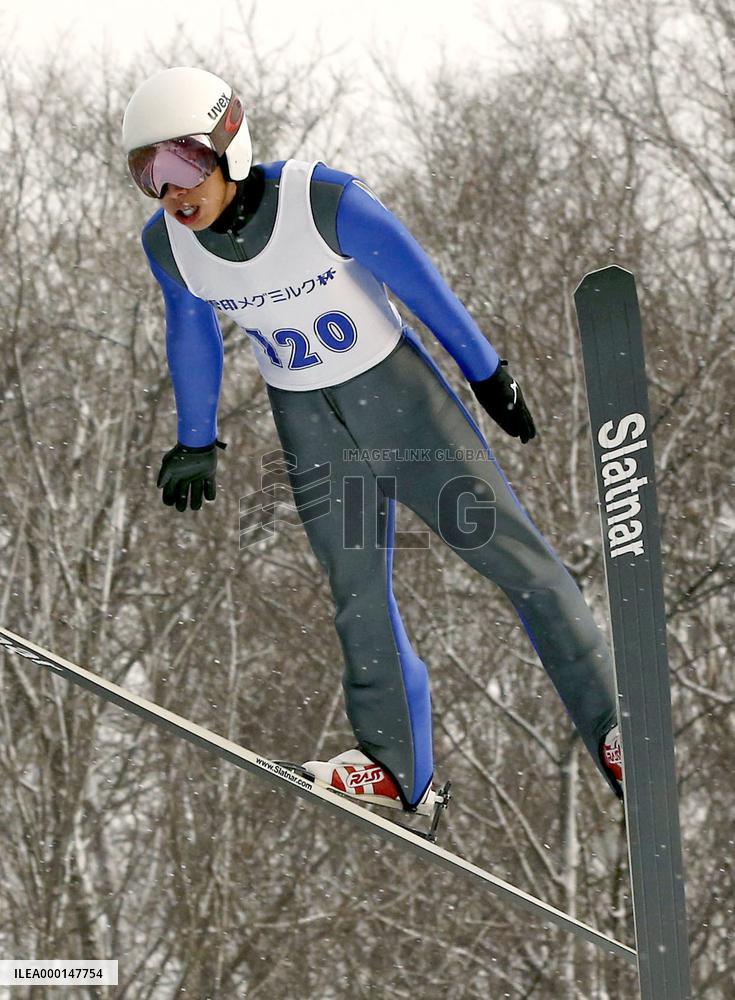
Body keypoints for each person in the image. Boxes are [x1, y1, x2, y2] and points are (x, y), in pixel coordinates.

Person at [122, 66, 623, 815]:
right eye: (148, 174)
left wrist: (487, 373)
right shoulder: (170, 246)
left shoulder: (321, 201)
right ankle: (395, 765)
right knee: (355, 592)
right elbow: (190, 327)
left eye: (183, 162)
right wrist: (195, 441)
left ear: (229, 143)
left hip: (398, 405)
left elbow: (422, 285)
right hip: (308, 419)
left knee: (516, 562)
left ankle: (617, 726)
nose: (171, 191)